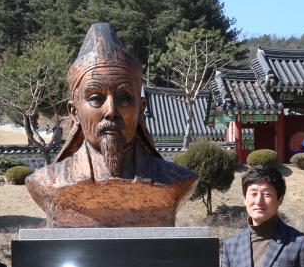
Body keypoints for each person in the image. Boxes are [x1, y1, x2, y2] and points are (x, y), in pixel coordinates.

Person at [25, 22, 196, 227]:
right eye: (96, 98)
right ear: (74, 111)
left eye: (124, 97)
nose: (111, 110)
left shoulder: (175, 180)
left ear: (140, 109)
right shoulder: (48, 182)